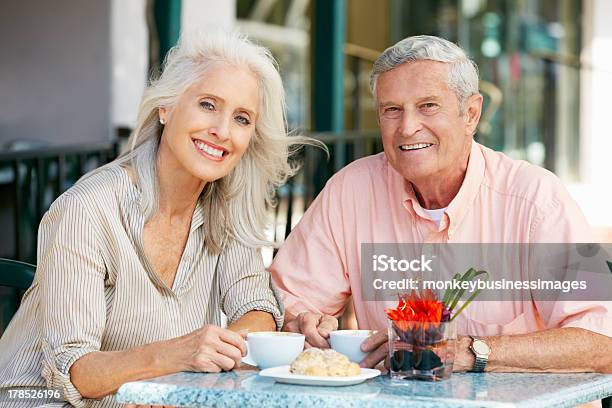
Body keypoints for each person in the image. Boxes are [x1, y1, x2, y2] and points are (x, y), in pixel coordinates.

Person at [270, 35, 612, 374]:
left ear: (471, 114)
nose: (407, 127)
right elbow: (285, 301)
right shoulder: (352, 190)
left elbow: (602, 342)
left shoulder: (538, 201)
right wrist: (303, 322)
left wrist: (472, 352)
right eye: (392, 110)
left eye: (428, 106)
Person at [0, 31, 304, 407]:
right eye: (208, 104)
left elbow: (257, 308)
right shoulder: (89, 208)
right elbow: (76, 370)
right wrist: (175, 360)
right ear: (166, 108)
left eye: (242, 118)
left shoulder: (224, 206)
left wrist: (198, 365)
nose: (223, 131)